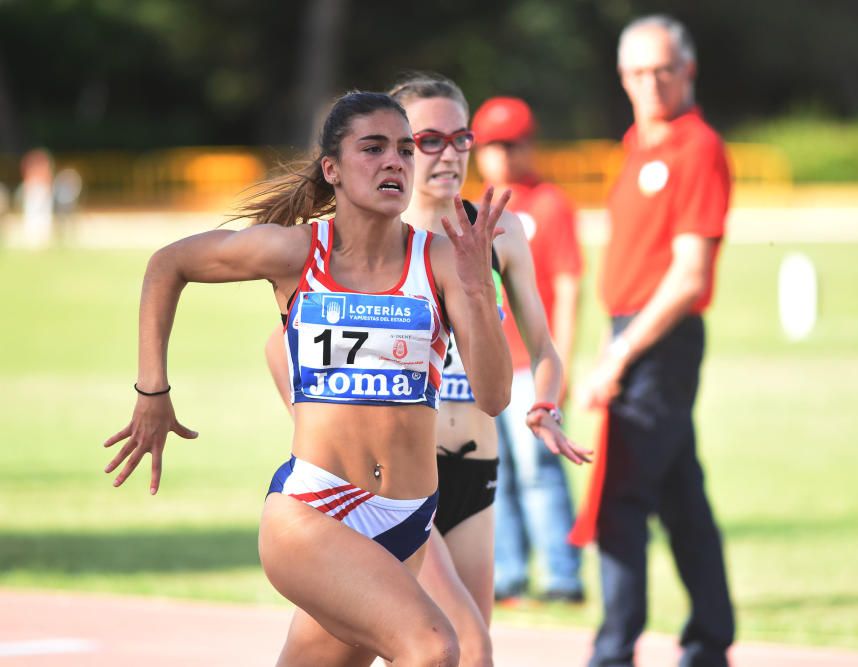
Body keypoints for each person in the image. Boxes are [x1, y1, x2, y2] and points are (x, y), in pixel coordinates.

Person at [104, 90, 515, 667]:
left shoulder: (444, 261)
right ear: (333, 169)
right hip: (313, 508)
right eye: (372, 149)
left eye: (403, 149)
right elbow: (168, 264)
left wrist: (476, 289)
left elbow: (495, 396)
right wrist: (153, 391)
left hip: (406, 518)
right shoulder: (297, 252)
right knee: (436, 648)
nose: (394, 162)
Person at [264, 75, 591, 666]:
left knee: (340, 651)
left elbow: (543, 349)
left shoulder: (500, 228)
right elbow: (281, 342)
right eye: (430, 139)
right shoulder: (385, 237)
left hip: (478, 471)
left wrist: (544, 402)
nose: (451, 153)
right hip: (403, 478)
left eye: (462, 138)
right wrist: (329, 428)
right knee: (463, 646)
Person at [571, 15, 736, 667]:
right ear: (622, 77)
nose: (652, 83)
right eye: (638, 72)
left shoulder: (697, 148)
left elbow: (689, 274)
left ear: (688, 70)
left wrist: (619, 353)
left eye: (664, 69)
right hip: (634, 332)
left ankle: (613, 653)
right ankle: (709, 641)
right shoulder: (638, 142)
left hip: (658, 338)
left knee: (620, 500)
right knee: (680, 498)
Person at [470, 97, 585, 603]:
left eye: (511, 144)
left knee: (539, 468)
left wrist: (564, 362)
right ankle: (509, 574)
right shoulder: (470, 209)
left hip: (531, 364)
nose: (501, 156)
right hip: (487, 364)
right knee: (494, 471)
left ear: (529, 145)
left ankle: (563, 576)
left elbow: (570, 284)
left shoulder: (549, 204)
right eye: (491, 146)